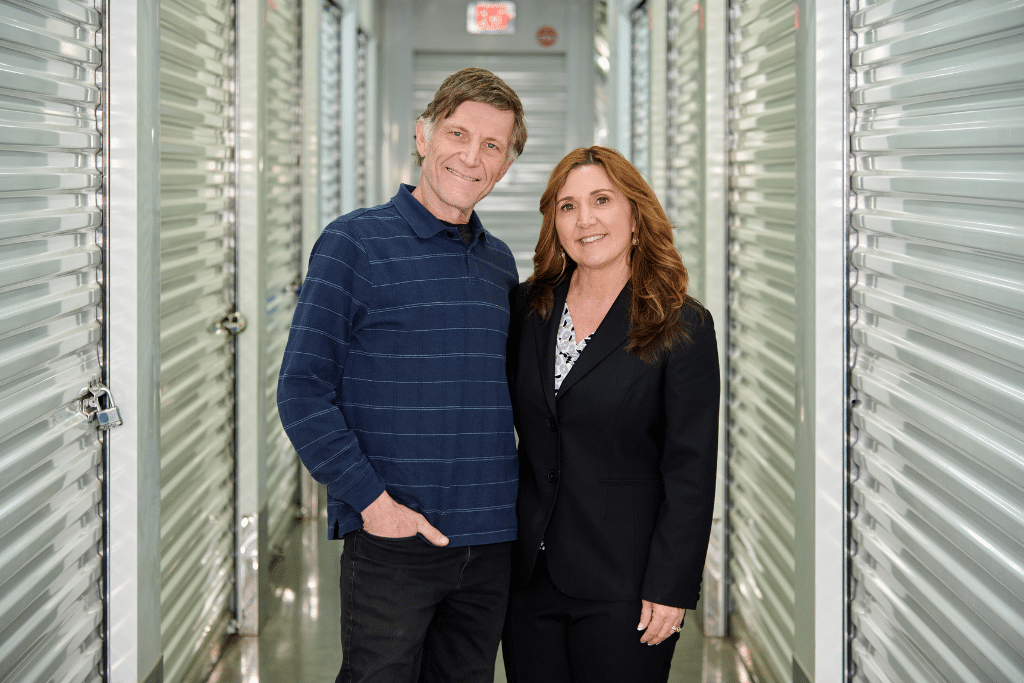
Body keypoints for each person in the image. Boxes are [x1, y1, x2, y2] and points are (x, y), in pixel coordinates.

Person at [277, 67, 528, 683]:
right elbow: (303, 390)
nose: (471, 157)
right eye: (458, 134)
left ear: (505, 166)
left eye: (492, 146)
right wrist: (373, 505)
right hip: (393, 538)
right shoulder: (352, 244)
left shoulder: (499, 263)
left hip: (490, 541)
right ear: (424, 135)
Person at [502, 146, 720, 683]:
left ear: (635, 213)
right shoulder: (527, 309)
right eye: (568, 206)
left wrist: (671, 587)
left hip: (627, 584)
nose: (586, 220)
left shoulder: (680, 325)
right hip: (528, 580)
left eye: (602, 200)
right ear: (554, 222)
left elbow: (690, 469)